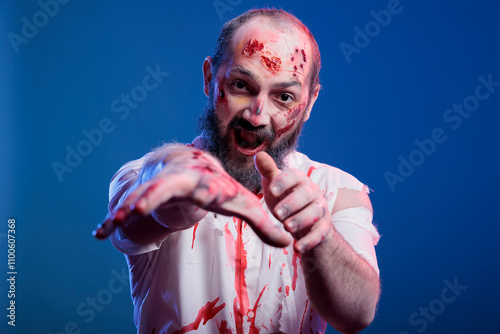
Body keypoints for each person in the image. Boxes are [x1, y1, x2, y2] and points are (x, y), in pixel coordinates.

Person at [93, 8, 381, 334]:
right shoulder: (138, 177)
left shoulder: (338, 191)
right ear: (209, 78)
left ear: (310, 102)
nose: (257, 116)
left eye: (284, 96)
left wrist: (321, 236)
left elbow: (357, 315)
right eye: (242, 85)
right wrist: (177, 193)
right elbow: (132, 224)